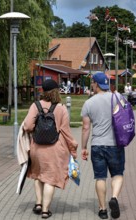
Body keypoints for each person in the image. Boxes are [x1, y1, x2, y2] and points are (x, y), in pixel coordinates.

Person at [23, 79, 78, 219]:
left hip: (37, 148)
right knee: (50, 179)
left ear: (43, 91)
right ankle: (46, 211)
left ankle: (38, 204)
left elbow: (28, 126)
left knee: (38, 175)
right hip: (54, 149)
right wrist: (73, 148)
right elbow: (66, 132)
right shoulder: (61, 108)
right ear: (56, 91)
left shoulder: (35, 106)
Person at [81, 72, 125, 219]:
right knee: (117, 175)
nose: (91, 85)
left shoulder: (89, 103)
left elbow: (86, 128)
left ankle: (103, 210)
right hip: (115, 145)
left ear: (96, 84)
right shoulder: (117, 97)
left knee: (100, 178)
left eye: (92, 83)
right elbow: (127, 114)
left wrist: (83, 147)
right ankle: (114, 198)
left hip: (97, 145)